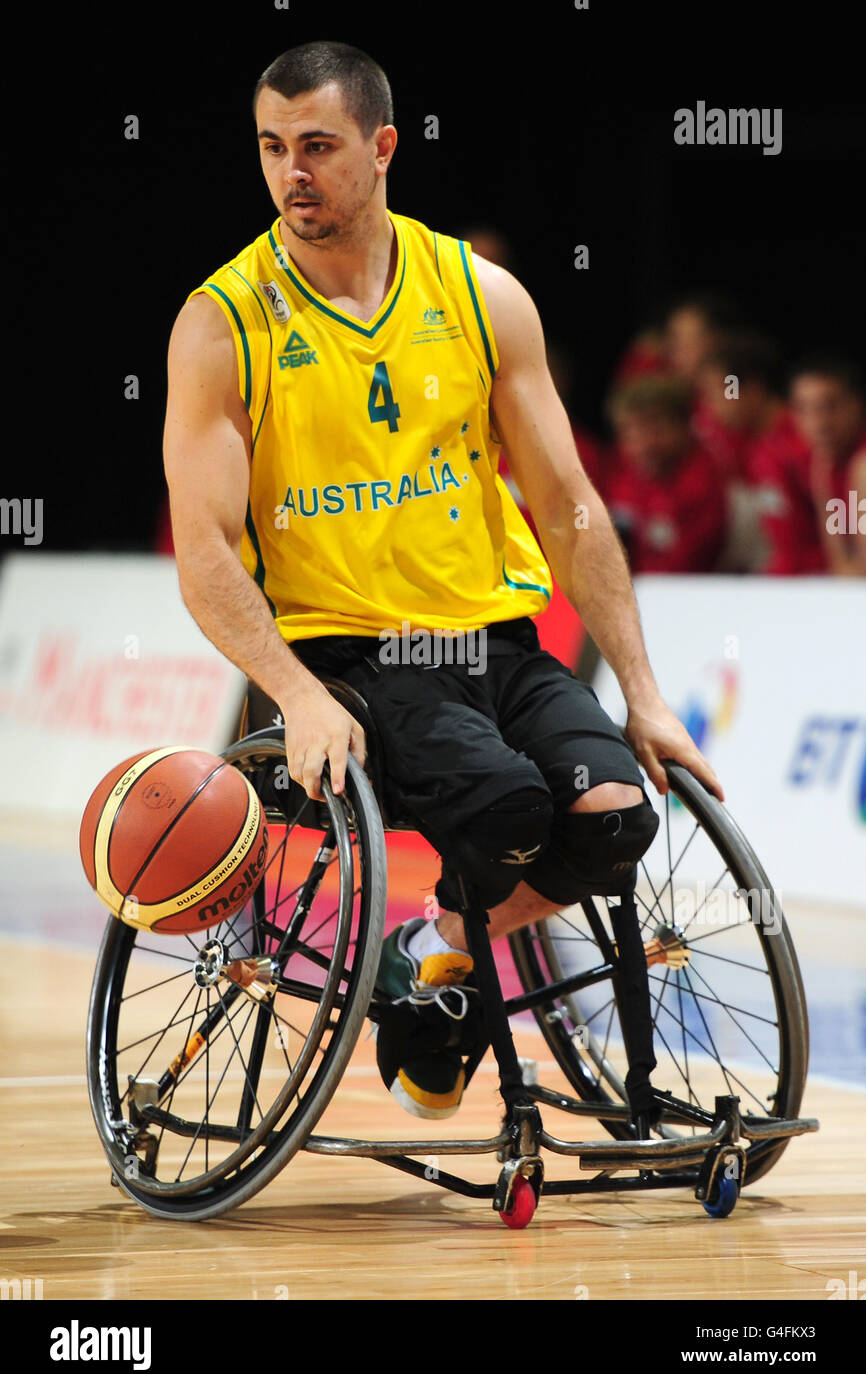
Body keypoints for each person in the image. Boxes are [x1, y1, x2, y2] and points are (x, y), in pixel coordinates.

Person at [163, 41, 724, 1124]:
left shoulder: (480, 295)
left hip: (498, 642)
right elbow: (204, 550)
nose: (292, 173)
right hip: (353, 658)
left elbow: (567, 507)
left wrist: (645, 692)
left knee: (612, 816)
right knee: (510, 807)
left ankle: (435, 943)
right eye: (273, 148)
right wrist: (296, 690)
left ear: (380, 148)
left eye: (317, 147)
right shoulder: (220, 324)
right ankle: (444, 969)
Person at [695, 332, 809, 572]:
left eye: (720, 391)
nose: (710, 405)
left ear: (754, 389)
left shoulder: (803, 444)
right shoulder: (759, 447)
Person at [603, 375, 728, 573]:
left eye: (654, 429)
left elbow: (688, 567)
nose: (643, 445)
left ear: (684, 428)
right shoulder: (625, 477)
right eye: (630, 433)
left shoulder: (705, 482)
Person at [760, 357, 866, 576]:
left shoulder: (862, 466)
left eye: (830, 407)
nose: (820, 423)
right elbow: (839, 563)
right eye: (804, 410)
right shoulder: (823, 465)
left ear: (858, 404)